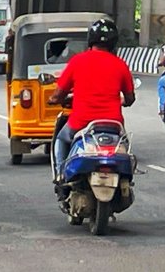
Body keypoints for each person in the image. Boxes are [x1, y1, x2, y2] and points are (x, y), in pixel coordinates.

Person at [46, 18, 134, 182]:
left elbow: (59, 94)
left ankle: (60, 174)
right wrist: (123, 101)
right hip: (113, 125)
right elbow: (130, 98)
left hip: (81, 123)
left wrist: (53, 99)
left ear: (90, 40)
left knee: (61, 138)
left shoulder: (77, 61)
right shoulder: (120, 64)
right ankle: (126, 182)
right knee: (125, 148)